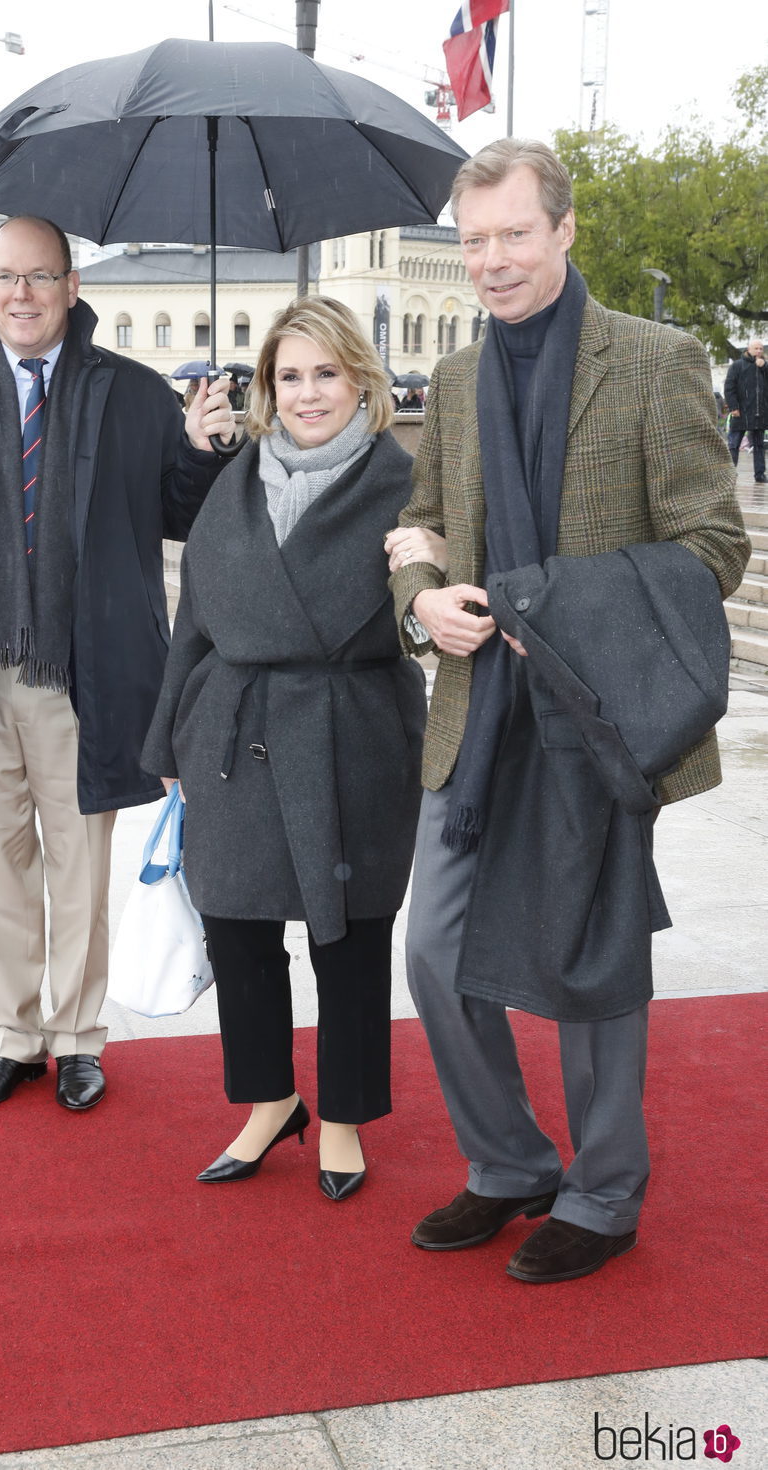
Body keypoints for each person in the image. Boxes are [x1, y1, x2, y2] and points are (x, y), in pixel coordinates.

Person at [387, 139, 750, 1283]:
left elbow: (712, 545)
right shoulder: (451, 380)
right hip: (479, 705)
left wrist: (553, 599)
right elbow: (424, 523)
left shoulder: (653, 359)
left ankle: (601, 1193)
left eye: (512, 235)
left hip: (598, 713)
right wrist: (421, 599)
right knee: (435, 953)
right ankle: (507, 1165)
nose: (490, 262)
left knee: (592, 965)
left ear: (564, 229)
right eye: (474, 239)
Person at [0, 215, 235, 1113]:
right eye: (3, 276)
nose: (19, 294)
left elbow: (183, 518)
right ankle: (16, 1036)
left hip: (85, 671)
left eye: (38, 276)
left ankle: (76, 1039)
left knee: (79, 869)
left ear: (72, 286)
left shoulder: (136, 396)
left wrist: (203, 448)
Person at [142, 296, 425, 1201]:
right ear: (267, 387)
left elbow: (426, 607)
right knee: (237, 929)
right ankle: (270, 1102)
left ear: (361, 380)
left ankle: (341, 1115)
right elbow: (195, 617)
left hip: (353, 729)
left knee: (350, 936)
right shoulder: (236, 478)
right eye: (289, 376)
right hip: (233, 724)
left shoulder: (404, 484)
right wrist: (168, 737)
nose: (307, 395)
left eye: (326, 374)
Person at [724, 338, 766, 483]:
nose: (759, 351)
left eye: (761, 348)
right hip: (740, 413)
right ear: (748, 349)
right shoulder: (737, 366)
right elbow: (729, 388)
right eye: (756, 348)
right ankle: (729, 474)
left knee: (759, 446)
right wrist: (733, 407)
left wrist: (764, 367)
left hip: (759, 414)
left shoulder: (765, 367)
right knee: (734, 445)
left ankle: (760, 475)